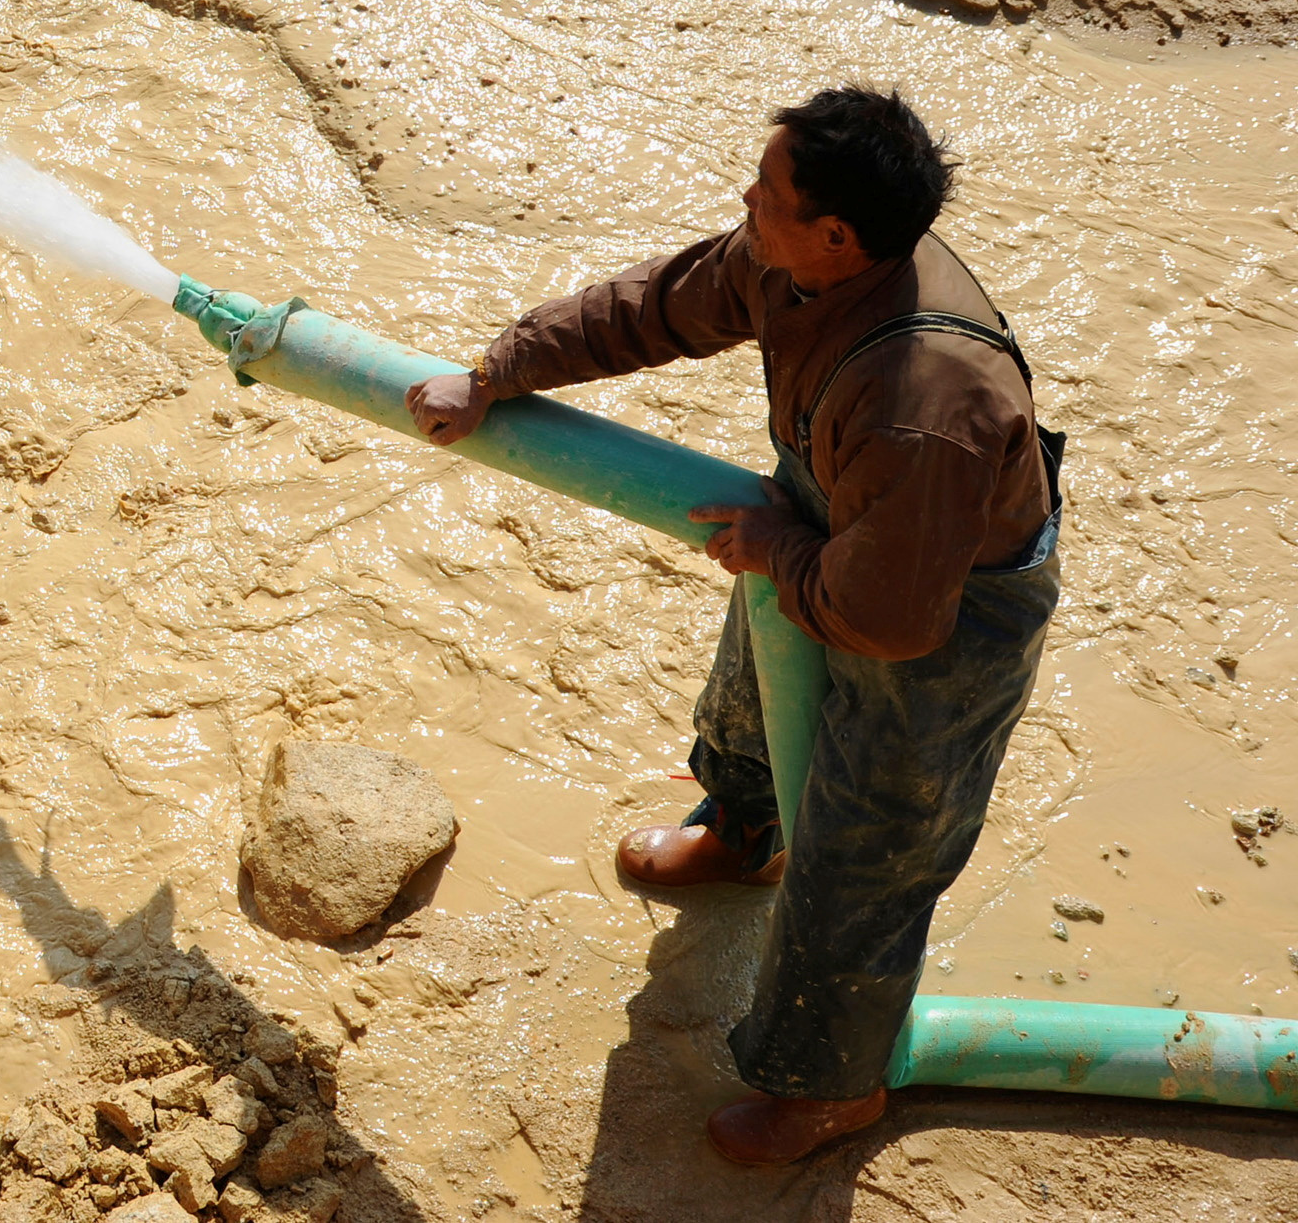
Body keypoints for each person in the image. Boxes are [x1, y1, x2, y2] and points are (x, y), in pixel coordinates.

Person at [404, 87, 1061, 1166]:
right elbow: (657, 307)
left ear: (836, 233)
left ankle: (831, 1091)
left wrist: (781, 553)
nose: (744, 202)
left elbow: (889, 618)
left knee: (866, 850)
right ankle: (744, 834)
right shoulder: (791, 259)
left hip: (945, 606)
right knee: (755, 696)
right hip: (832, 523)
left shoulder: (926, 395)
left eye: (764, 191)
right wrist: (497, 372)